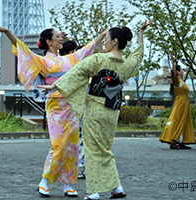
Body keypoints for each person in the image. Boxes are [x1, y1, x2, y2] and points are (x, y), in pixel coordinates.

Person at [36, 19, 153, 200]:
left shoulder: (98, 59)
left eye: (106, 38)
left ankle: (93, 192)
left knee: (91, 151)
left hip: (96, 109)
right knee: (105, 149)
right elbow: (139, 55)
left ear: (114, 41)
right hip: (113, 111)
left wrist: (55, 86)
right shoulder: (127, 64)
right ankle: (117, 188)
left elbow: (77, 73)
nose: (104, 42)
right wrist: (141, 33)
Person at [0, 26, 107, 198]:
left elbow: (87, 49)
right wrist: (7, 32)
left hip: (72, 106)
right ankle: (45, 180)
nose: (61, 39)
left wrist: (100, 36)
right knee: (58, 144)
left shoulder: (70, 59)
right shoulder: (43, 61)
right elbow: (23, 50)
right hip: (55, 107)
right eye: (57, 37)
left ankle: (69, 184)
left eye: (61, 36)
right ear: (48, 42)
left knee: (72, 146)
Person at [159, 54, 196, 149]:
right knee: (177, 121)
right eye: (182, 70)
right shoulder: (176, 81)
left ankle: (182, 141)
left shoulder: (182, 81)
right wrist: (173, 62)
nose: (183, 71)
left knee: (184, 122)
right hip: (180, 104)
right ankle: (173, 141)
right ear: (178, 72)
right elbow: (173, 74)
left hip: (185, 104)